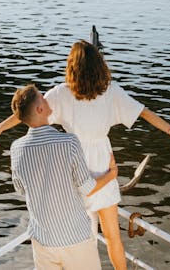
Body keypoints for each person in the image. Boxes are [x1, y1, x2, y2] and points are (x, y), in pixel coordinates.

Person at [0, 40, 170, 270]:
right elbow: (143, 112)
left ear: (72, 68)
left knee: (85, 238)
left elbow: (27, 112)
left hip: (74, 165)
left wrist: (0, 128)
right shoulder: (110, 92)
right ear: (99, 66)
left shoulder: (62, 93)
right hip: (103, 164)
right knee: (113, 236)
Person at [9, 83, 118, 270]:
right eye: (43, 97)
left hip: (43, 241)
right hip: (76, 239)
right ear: (40, 109)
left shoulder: (16, 149)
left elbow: (20, 189)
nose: (47, 98)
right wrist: (111, 174)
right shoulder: (69, 142)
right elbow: (87, 187)